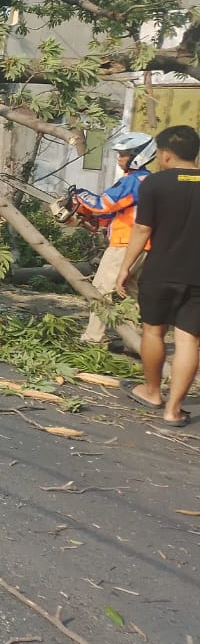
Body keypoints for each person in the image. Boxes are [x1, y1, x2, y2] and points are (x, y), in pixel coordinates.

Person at [116, 125, 200, 427]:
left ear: (164, 154)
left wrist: (125, 267)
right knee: (189, 339)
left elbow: (142, 229)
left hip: (161, 270)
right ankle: (174, 410)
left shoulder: (155, 184)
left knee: (153, 331)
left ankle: (153, 392)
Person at [75, 132, 155, 345]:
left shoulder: (132, 181)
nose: (119, 159)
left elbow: (104, 203)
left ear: (139, 155)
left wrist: (79, 195)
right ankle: (133, 341)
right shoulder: (147, 180)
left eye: (124, 154)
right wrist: (94, 222)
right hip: (141, 246)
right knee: (128, 292)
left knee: (101, 289)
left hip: (125, 245)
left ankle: (93, 338)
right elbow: (118, 212)